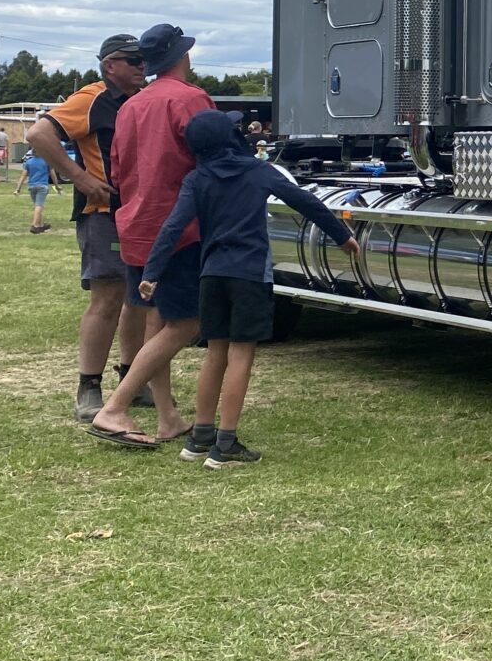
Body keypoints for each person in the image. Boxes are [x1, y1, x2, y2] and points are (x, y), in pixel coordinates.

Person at [139, 110, 359, 466]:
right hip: (249, 273)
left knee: (215, 353)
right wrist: (342, 236)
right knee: (241, 354)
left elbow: (173, 227)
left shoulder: (196, 179)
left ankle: (200, 437)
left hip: (211, 274)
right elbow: (304, 201)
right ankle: (226, 444)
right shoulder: (258, 170)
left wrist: (152, 272)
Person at [92, 23, 217, 448]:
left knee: (157, 320)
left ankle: (168, 417)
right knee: (187, 323)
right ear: (182, 55)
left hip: (136, 224)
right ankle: (115, 407)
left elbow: (118, 169)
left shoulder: (130, 106)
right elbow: (212, 160)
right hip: (182, 228)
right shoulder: (191, 99)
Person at [30, 33, 154, 424]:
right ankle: (89, 388)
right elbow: (38, 134)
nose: (142, 66)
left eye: (144, 59)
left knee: (138, 297)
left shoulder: (141, 99)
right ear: (109, 65)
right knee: (108, 298)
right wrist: (81, 178)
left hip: (139, 213)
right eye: (133, 60)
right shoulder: (92, 98)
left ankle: (132, 381)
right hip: (104, 214)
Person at [14, 148, 53, 232]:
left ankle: (40, 225)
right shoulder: (47, 161)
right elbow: (52, 174)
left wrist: (18, 189)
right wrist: (57, 185)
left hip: (32, 186)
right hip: (42, 186)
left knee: (37, 205)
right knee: (39, 205)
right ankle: (34, 225)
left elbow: (23, 176)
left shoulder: (29, 162)